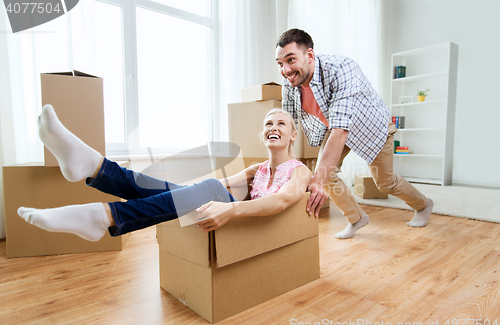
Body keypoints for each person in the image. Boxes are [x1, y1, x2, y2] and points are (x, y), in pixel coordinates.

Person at [17, 105, 312, 241]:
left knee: (207, 188)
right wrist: (185, 192)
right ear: (263, 135)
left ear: (292, 135)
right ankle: (95, 171)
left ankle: (99, 177)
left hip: (249, 223)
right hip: (227, 210)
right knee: (196, 189)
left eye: (281, 124)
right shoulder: (256, 169)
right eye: (268, 124)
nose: (273, 127)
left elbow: (280, 203)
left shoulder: (300, 172)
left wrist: (231, 208)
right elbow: (220, 184)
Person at [275, 28, 433, 239]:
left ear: (309, 55)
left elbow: (341, 131)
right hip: (336, 125)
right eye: (280, 64)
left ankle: (423, 205)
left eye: (291, 60)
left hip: (372, 126)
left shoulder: (342, 68)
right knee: (327, 175)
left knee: (384, 183)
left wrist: (315, 182)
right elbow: (289, 122)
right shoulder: (290, 81)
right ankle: (357, 218)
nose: (285, 70)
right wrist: (280, 165)